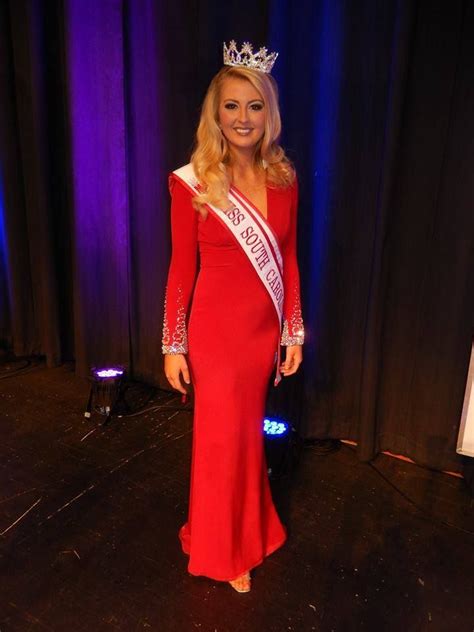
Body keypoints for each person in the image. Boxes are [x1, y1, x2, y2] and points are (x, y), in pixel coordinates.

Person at [162, 40, 304, 593]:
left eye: (255, 105)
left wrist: (292, 331)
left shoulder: (283, 179)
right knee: (221, 441)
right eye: (231, 106)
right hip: (216, 335)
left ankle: (249, 529)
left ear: (269, 112)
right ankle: (224, 551)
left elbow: (289, 259)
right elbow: (180, 269)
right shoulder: (192, 181)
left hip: (262, 331)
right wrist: (173, 344)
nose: (243, 118)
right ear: (214, 113)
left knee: (245, 437)